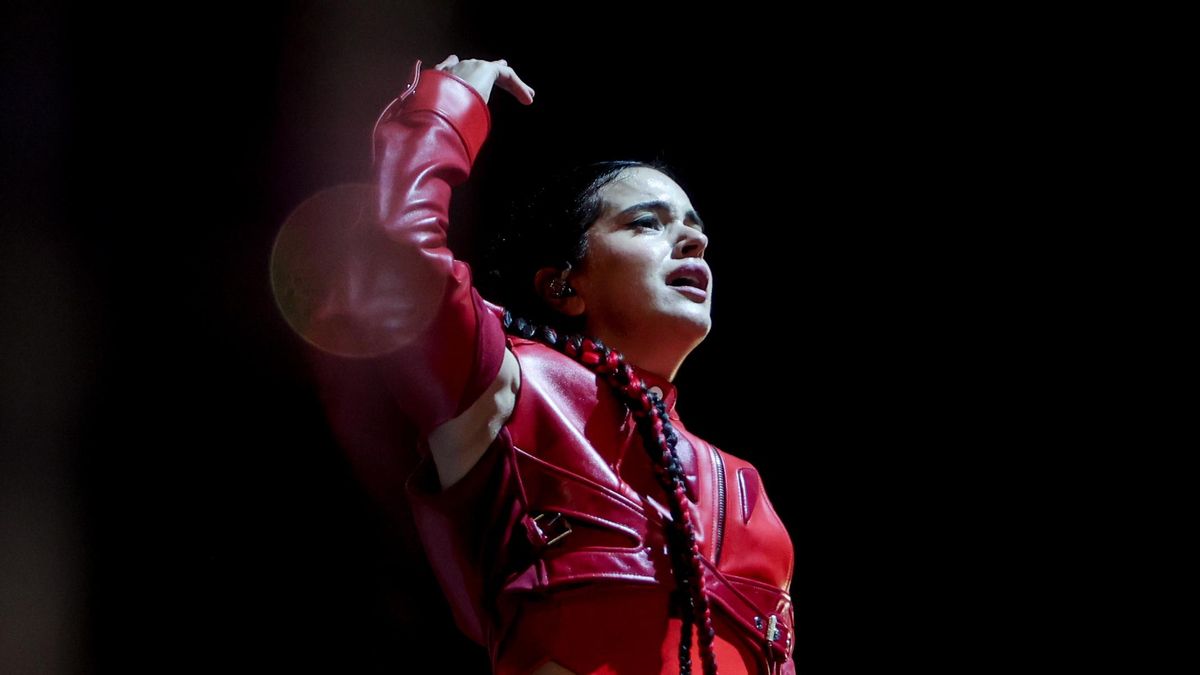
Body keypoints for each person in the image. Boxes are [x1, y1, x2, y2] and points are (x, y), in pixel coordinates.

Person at [327, 54, 796, 675]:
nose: (695, 240)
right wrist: (441, 112)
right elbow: (400, 262)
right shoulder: (509, 387)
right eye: (647, 223)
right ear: (563, 286)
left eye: (694, 226)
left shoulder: (746, 490)